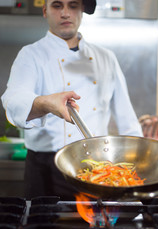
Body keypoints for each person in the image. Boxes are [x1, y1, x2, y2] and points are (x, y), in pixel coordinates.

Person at [1, 0, 143, 200]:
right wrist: (45, 103)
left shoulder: (105, 58)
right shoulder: (30, 55)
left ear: (82, 10)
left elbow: (127, 119)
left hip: (96, 167)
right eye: (57, 6)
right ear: (45, 11)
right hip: (45, 168)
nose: (65, 13)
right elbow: (13, 100)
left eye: (73, 5)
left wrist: (139, 162)